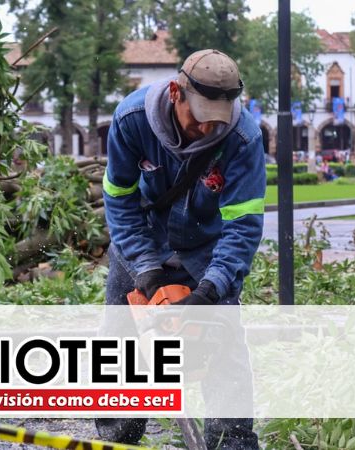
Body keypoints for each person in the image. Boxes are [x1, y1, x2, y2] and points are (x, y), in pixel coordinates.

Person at [99, 49, 262, 449]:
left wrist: (211, 289)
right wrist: (145, 268)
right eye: (200, 117)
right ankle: (116, 437)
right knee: (121, 345)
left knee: (224, 351)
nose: (208, 130)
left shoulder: (243, 138)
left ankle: (232, 443)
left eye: (216, 120)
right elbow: (119, 199)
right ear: (176, 93)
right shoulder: (131, 120)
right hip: (143, 241)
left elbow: (242, 227)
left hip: (205, 252)